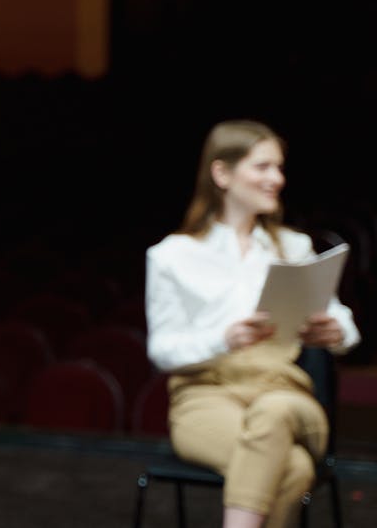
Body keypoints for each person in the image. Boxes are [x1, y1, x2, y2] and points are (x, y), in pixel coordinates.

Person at [146, 120, 360, 528]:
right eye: (262, 167)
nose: (276, 179)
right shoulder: (172, 256)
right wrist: (222, 339)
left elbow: (344, 322)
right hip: (205, 398)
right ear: (222, 173)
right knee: (293, 468)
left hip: (286, 395)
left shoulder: (294, 247)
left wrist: (338, 331)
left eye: (279, 168)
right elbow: (163, 350)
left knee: (274, 412)